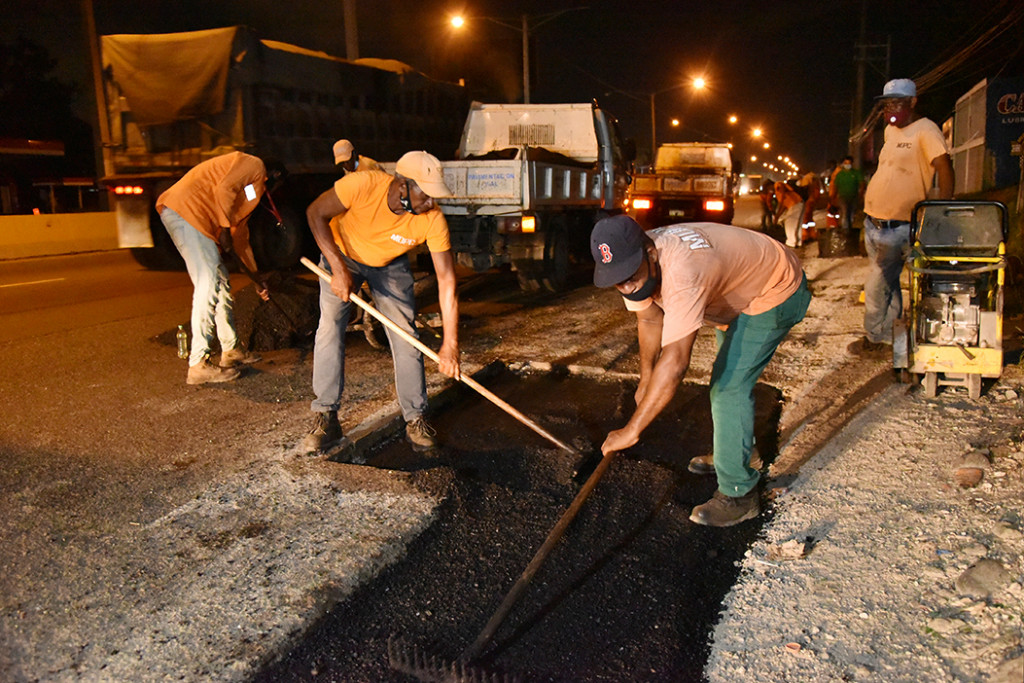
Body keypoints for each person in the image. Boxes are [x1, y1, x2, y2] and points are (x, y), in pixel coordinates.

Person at [591, 215, 810, 527]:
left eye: (629, 274)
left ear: (650, 254)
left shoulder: (683, 270)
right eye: (615, 277)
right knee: (726, 382)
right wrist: (646, 377)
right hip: (735, 290)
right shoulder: (635, 259)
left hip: (773, 288)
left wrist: (632, 430)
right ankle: (737, 455)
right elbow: (650, 318)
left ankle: (740, 494)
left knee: (728, 388)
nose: (625, 284)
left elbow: (677, 360)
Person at [302, 151, 460, 454]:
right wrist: (336, 268)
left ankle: (415, 418)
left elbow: (447, 282)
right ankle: (326, 416)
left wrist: (450, 344)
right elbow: (315, 213)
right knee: (330, 327)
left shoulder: (433, 220)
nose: (432, 203)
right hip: (343, 253)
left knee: (405, 334)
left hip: (389, 264)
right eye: (426, 195)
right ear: (402, 185)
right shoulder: (362, 185)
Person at [156, 151, 283, 385]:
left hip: (189, 216)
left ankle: (230, 348)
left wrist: (256, 280)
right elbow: (224, 188)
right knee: (209, 283)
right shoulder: (256, 165)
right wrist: (223, 229)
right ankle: (198, 363)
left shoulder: (248, 193)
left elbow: (241, 241)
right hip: (187, 212)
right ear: (273, 175)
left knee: (221, 282)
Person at [861, 78, 954, 351]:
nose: (891, 109)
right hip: (873, 221)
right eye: (888, 103)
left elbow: (944, 167)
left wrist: (941, 210)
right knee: (886, 282)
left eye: (898, 103)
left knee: (877, 284)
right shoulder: (890, 131)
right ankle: (891, 332)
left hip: (898, 225)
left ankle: (875, 336)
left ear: (912, 102)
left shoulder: (926, 130)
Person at [829, 155, 865, 232]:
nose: (847, 165)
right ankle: (845, 231)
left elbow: (862, 184)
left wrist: (860, 196)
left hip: (853, 198)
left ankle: (849, 230)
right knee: (845, 214)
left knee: (851, 215)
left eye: (849, 163)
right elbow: (835, 186)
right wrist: (832, 197)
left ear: (852, 164)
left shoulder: (856, 173)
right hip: (842, 197)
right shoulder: (840, 174)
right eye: (846, 163)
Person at [773, 178, 805, 248]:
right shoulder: (788, 192)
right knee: (797, 224)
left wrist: (777, 216)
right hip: (799, 203)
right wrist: (778, 215)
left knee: (790, 223)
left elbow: (782, 203)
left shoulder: (778, 187)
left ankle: (791, 242)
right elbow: (784, 205)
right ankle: (798, 242)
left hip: (795, 205)